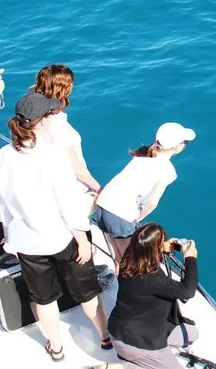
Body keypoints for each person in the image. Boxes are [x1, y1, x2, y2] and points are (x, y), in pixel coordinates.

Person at [0, 92, 111, 362]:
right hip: (63, 238)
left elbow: (3, 203)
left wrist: (10, 238)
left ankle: (56, 348)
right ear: (42, 121)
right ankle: (105, 338)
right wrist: (82, 240)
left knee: (44, 298)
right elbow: (68, 203)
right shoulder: (53, 156)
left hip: (27, 242)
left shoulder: (4, 156)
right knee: (87, 292)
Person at [94, 122, 195, 266]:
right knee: (129, 263)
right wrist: (136, 218)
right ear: (178, 146)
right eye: (184, 142)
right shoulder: (167, 170)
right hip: (120, 215)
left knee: (117, 257)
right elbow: (152, 202)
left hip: (102, 205)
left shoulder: (142, 154)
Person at [100, 223, 199, 369]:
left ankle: (134, 357)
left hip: (120, 330)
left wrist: (163, 249)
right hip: (137, 342)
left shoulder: (128, 260)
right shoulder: (153, 279)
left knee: (191, 334)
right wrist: (190, 259)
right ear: (153, 249)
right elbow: (187, 291)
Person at [33, 63, 101, 194]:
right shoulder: (57, 126)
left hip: (44, 183)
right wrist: (99, 189)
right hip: (67, 191)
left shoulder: (30, 116)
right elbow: (76, 169)